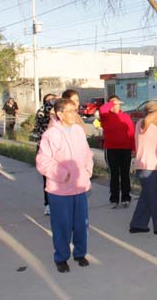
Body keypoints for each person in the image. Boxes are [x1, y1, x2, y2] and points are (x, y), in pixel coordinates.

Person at [36, 98, 94, 273]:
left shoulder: (78, 130)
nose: (73, 114)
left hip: (80, 186)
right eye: (69, 111)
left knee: (81, 224)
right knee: (62, 225)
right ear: (59, 114)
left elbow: (87, 153)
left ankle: (80, 253)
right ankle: (61, 257)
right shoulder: (51, 134)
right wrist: (62, 174)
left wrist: (87, 171)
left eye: (74, 110)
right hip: (59, 189)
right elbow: (42, 161)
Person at [129, 100, 157, 237]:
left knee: (147, 196)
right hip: (146, 166)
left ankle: (137, 224)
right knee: (155, 197)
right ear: (151, 113)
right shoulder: (142, 124)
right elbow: (147, 120)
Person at [99, 95, 135, 209]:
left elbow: (132, 133)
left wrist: (133, 148)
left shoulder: (126, 116)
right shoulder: (105, 116)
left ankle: (126, 197)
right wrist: (112, 102)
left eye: (117, 104)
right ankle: (114, 199)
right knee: (114, 174)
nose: (115, 106)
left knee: (125, 174)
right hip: (111, 149)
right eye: (113, 104)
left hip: (125, 149)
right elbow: (102, 109)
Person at [33, 93, 57, 215]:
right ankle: (48, 204)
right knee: (47, 178)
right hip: (45, 150)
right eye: (50, 100)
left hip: (58, 150)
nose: (52, 102)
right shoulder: (42, 112)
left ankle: (57, 202)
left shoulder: (58, 112)